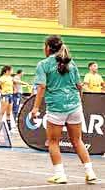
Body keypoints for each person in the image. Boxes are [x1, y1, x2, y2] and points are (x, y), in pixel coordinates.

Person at [31, 35, 99, 185]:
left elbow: (41, 86)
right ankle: (90, 172)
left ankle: (60, 175)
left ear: (48, 48)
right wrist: (78, 102)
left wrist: (35, 108)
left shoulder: (43, 64)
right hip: (74, 106)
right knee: (77, 140)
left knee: (53, 141)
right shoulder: (71, 63)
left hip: (56, 107)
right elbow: (79, 86)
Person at [0, 65, 14, 131]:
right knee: (2, 112)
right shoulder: (2, 78)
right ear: (7, 71)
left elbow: (15, 81)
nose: (12, 71)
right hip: (5, 96)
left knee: (9, 113)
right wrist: (1, 91)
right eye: (11, 70)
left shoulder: (10, 77)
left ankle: (9, 128)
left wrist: (24, 83)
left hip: (10, 95)